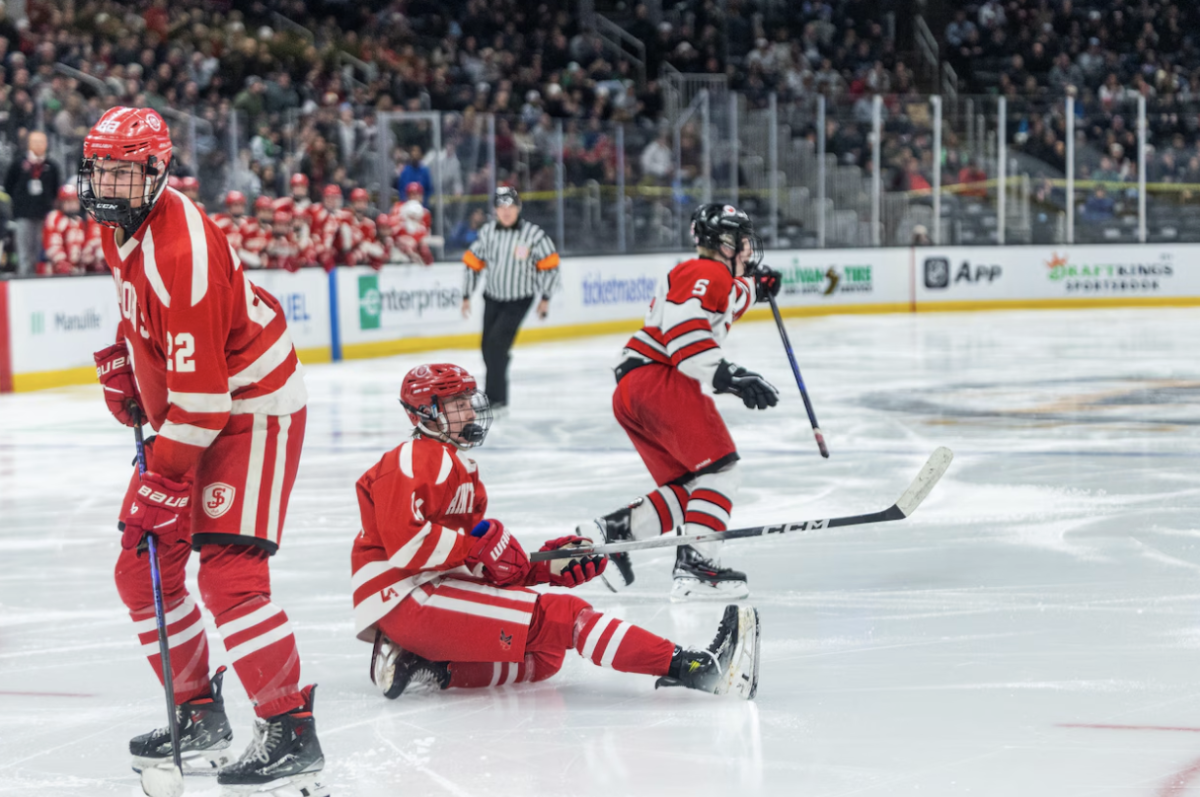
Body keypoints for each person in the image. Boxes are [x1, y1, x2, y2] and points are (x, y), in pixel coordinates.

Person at [81, 107, 326, 794]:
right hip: (200, 403)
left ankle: (290, 730)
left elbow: (209, 402)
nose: (104, 181)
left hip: (253, 404)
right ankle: (196, 713)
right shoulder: (118, 223)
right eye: (98, 165)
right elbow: (144, 314)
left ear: (156, 172)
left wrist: (160, 476)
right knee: (142, 569)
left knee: (227, 573)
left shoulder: (181, 252)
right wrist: (131, 360)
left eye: (121, 170)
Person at [353, 363, 760, 701]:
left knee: (545, 656)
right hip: (404, 595)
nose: (471, 412)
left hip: (431, 590)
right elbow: (407, 546)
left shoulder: (463, 473)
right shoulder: (413, 457)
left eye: (468, 401)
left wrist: (542, 567)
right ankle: (699, 668)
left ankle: (423, 664)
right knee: (563, 619)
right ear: (426, 412)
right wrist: (476, 546)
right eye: (458, 403)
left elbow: (471, 559)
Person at [578, 204, 782, 601]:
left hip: (634, 388)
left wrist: (759, 286)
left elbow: (727, 300)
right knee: (721, 473)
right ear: (725, 244)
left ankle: (617, 530)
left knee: (693, 486)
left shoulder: (711, 276)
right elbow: (684, 334)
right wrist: (729, 375)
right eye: (742, 242)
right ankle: (696, 566)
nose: (747, 251)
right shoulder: (704, 272)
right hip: (660, 381)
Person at [460, 186, 559, 411]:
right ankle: (497, 393)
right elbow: (472, 263)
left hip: (519, 300)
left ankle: (496, 397)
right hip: (492, 298)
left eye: (511, 206)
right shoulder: (486, 233)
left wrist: (545, 297)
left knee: (496, 344)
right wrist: (467, 294)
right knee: (487, 348)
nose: (506, 211)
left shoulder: (533, 234)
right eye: (501, 207)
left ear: (518, 208)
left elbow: (550, 266)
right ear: (495, 210)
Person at [5, 130, 61, 276]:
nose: (38, 145)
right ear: (29, 144)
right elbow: (8, 185)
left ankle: (41, 277)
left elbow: (56, 189)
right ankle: (24, 277)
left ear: (46, 144)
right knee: (24, 250)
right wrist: (19, 202)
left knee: (42, 249)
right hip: (23, 213)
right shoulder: (18, 163)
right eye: (35, 142)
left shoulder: (51, 166)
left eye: (41, 142)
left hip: (44, 214)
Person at [41, 184, 92, 275]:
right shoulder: (55, 217)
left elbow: (83, 244)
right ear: (61, 203)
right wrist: (62, 263)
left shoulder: (79, 221)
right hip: (56, 271)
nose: (71, 205)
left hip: (76, 269)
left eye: (74, 202)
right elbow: (53, 244)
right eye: (68, 202)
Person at [390, 182, 435, 265]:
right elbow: (392, 230)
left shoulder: (426, 213)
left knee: (426, 254)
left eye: (417, 194)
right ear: (408, 196)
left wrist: (415, 241)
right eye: (412, 194)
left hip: (416, 247)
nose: (415, 197)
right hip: (399, 247)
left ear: (421, 197)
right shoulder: (398, 208)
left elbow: (425, 233)